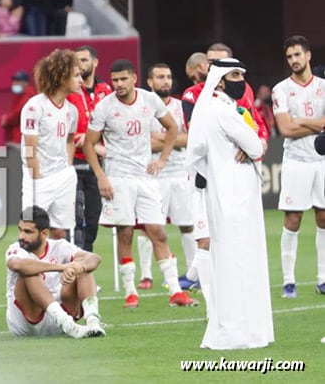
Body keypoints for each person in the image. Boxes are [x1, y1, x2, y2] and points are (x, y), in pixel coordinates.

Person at [82, 60, 198, 308]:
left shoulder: (149, 100)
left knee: (158, 232)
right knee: (125, 232)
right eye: (115, 80)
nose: (119, 84)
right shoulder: (104, 107)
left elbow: (172, 126)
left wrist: (163, 158)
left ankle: (175, 291)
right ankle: (131, 291)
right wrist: (101, 176)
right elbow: (88, 144)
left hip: (146, 177)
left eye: (124, 79)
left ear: (134, 78)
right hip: (118, 177)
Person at [186, 58, 274, 349]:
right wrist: (251, 147)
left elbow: (198, 151)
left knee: (230, 259)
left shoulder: (210, 110)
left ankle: (235, 326)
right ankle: (240, 330)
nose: (240, 80)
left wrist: (251, 147)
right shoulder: (222, 111)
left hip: (223, 194)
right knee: (240, 260)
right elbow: (255, 144)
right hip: (236, 196)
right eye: (235, 74)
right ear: (220, 79)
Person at [271, 36, 325, 297]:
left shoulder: (324, 86)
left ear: (308, 56)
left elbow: (294, 124)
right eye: (289, 56)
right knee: (293, 219)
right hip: (296, 162)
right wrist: (318, 123)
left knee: (324, 218)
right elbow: (284, 129)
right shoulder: (280, 89)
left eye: (297, 55)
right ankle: (289, 281)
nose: (293, 60)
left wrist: (300, 120)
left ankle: (323, 278)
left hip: (322, 161)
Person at [135, 63, 197, 291]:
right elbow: (143, 142)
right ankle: (146, 275)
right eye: (160, 77)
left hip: (180, 172)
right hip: (153, 174)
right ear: (150, 82)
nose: (166, 81)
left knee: (188, 225)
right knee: (148, 226)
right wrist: (173, 136)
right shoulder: (142, 107)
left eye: (169, 77)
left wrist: (161, 138)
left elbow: (190, 138)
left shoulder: (181, 106)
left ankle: (192, 272)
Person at [5, 206, 104, 338]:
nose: (21, 236)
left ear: (44, 233)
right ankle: (67, 324)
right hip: (27, 324)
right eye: (20, 230)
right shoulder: (16, 249)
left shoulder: (60, 246)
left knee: (83, 266)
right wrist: (62, 267)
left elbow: (94, 258)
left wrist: (77, 267)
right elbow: (16, 264)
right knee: (29, 272)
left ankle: (93, 322)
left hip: (59, 318)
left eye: (28, 232)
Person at [21, 49, 80, 240]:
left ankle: (56, 270)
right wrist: (35, 175)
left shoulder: (72, 110)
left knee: (60, 232)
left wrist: (68, 165)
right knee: (30, 230)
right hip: (39, 179)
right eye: (76, 75)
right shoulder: (34, 107)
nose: (81, 80)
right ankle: (26, 269)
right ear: (62, 77)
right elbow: (29, 146)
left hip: (62, 176)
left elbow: (70, 139)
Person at [67, 45, 112, 251]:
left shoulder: (107, 91)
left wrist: (99, 143)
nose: (80, 65)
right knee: (76, 217)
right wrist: (83, 138)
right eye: (76, 61)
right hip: (74, 160)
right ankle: (76, 267)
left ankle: (87, 265)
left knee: (94, 216)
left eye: (84, 60)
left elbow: (112, 125)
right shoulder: (70, 91)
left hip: (98, 164)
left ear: (95, 63)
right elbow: (65, 125)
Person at [1, 70, 36, 144]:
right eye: (14, 80)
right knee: (1, 152)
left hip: (20, 138)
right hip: (15, 137)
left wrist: (6, 120)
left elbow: (17, 114)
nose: (15, 83)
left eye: (18, 81)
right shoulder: (19, 96)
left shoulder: (28, 96)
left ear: (26, 83)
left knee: (2, 154)